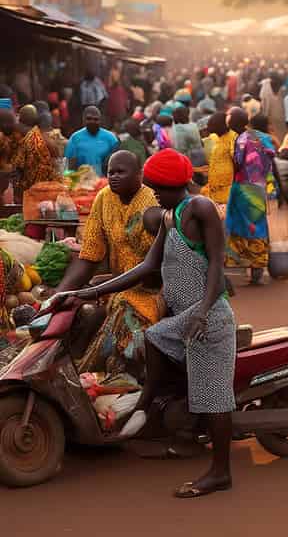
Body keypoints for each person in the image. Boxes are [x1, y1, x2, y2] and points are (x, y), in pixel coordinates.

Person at [56, 149, 236, 498]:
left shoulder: (200, 208)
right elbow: (146, 267)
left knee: (213, 395)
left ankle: (220, 472)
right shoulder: (170, 216)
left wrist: (203, 309)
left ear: (173, 185)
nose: (152, 196)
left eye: (157, 189)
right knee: (155, 339)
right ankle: (156, 410)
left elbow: (217, 264)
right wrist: (86, 292)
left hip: (207, 314)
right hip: (183, 313)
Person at [55, 151, 160, 375]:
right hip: (116, 288)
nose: (113, 176)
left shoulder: (152, 204)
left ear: (139, 175)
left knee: (120, 322)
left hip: (151, 291)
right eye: (110, 172)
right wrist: (59, 295)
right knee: (78, 316)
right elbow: (90, 255)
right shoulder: (103, 198)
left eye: (121, 172)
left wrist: (100, 288)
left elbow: (153, 269)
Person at [225, 108, 277, 285]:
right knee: (258, 226)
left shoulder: (242, 139)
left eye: (230, 119)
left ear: (237, 122)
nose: (228, 122)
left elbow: (238, 163)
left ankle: (245, 265)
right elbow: (270, 161)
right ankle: (258, 268)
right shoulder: (263, 138)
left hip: (243, 188)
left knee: (241, 225)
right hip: (259, 187)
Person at [13, 104, 59, 194]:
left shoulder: (23, 137)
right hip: (48, 186)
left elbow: (18, 165)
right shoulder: (47, 139)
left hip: (30, 188)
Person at [65, 106, 119, 176]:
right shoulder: (75, 138)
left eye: (96, 119)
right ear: (83, 120)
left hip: (105, 182)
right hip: (82, 182)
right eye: (89, 118)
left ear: (100, 120)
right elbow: (69, 167)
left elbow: (118, 161)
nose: (92, 122)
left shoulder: (111, 138)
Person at [201, 113, 236, 206]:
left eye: (211, 125)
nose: (208, 127)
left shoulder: (233, 138)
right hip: (215, 186)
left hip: (228, 186)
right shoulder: (214, 137)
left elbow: (236, 161)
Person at [259, 73, 288, 141]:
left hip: (280, 117)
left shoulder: (281, 89)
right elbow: (264, 104)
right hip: (275, 118)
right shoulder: (266, 88)